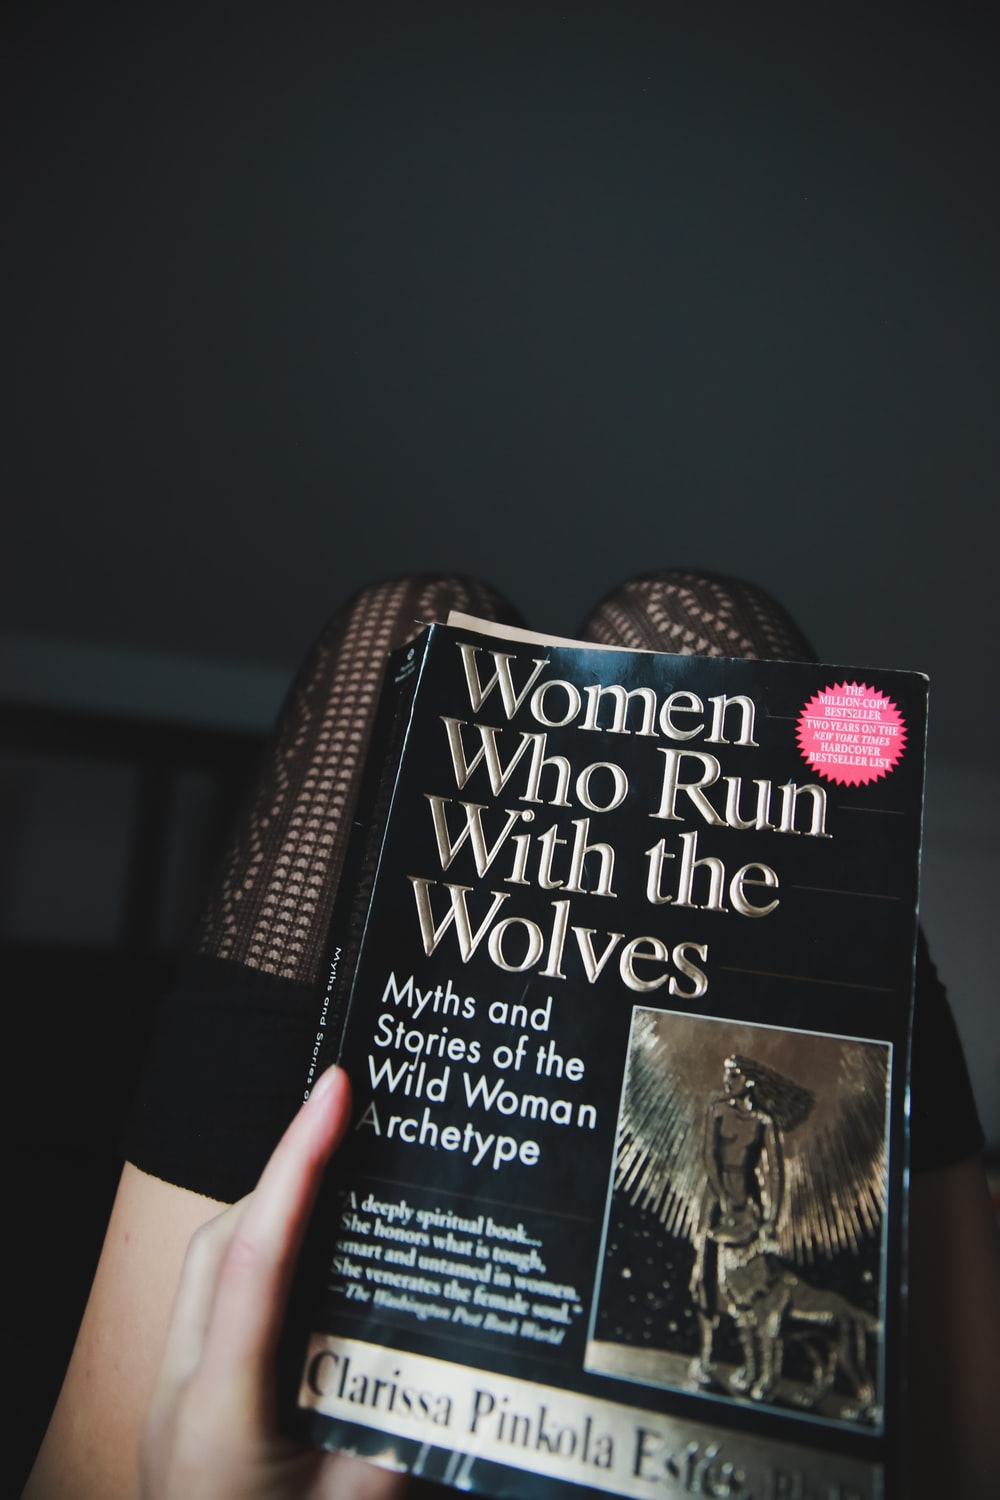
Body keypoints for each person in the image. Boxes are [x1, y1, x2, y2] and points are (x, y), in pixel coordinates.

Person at [22, 570, 1000, 1500]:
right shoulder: (729, 1132)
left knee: (417, 620)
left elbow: (760, 1169)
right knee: (682, 617)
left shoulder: (745, 1137)